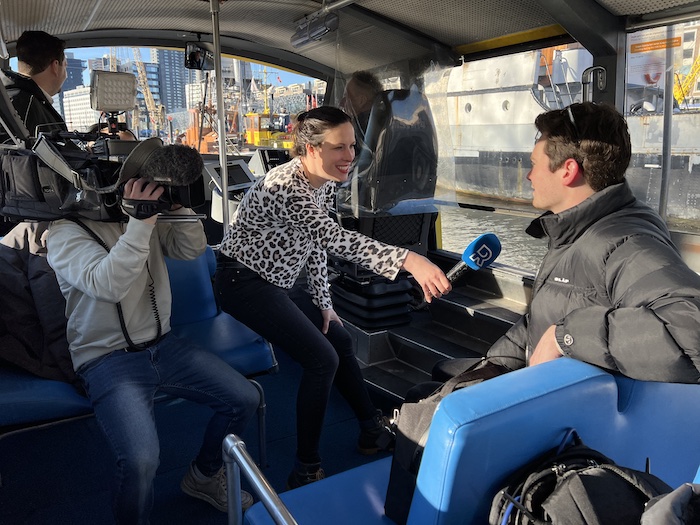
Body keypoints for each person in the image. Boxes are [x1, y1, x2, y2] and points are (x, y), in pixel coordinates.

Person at [214, 106, 451, 489]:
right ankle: (306, 464)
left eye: (353, 146)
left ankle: (371, 430)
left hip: (279, 282)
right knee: (321, 360)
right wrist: (409, 259)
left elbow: (315, 248)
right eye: (339, 147)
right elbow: (335, 239)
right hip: (242, 282)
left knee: (338, 338)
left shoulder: (322, 182)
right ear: (308, 148)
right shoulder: (286, 186)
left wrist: (326, 304)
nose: (349, 157)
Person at [46, 142, 259, 523]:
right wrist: (139, 223)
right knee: (142, 460)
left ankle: (204, 477)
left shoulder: (140, 219)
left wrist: (177, 205)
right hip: (106, 359)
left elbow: (189, 250)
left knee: (243, 398)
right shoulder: (63, 233)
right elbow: (108, 284)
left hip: (164, 346)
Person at [425, 102, 700, 396]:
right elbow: (540, 322)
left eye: (533, 164)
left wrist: (565, 337)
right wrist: (492, 367)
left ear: (568, 170)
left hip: (567, 417)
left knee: (420, 405)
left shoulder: (624, 241)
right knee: (437, 387)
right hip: (545, 392)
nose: (528, 176)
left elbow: (689, 331)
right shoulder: (575, 231)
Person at [1, 30, 67, 137]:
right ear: (55, 66)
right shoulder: (29, 106)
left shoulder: (12, 98)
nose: (66, 75)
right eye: (65, 66)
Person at [340, 70, 382, 142]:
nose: (341, 103)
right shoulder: (384, 122)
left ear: (361, 101)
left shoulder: (360, 128)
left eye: (347, 96)